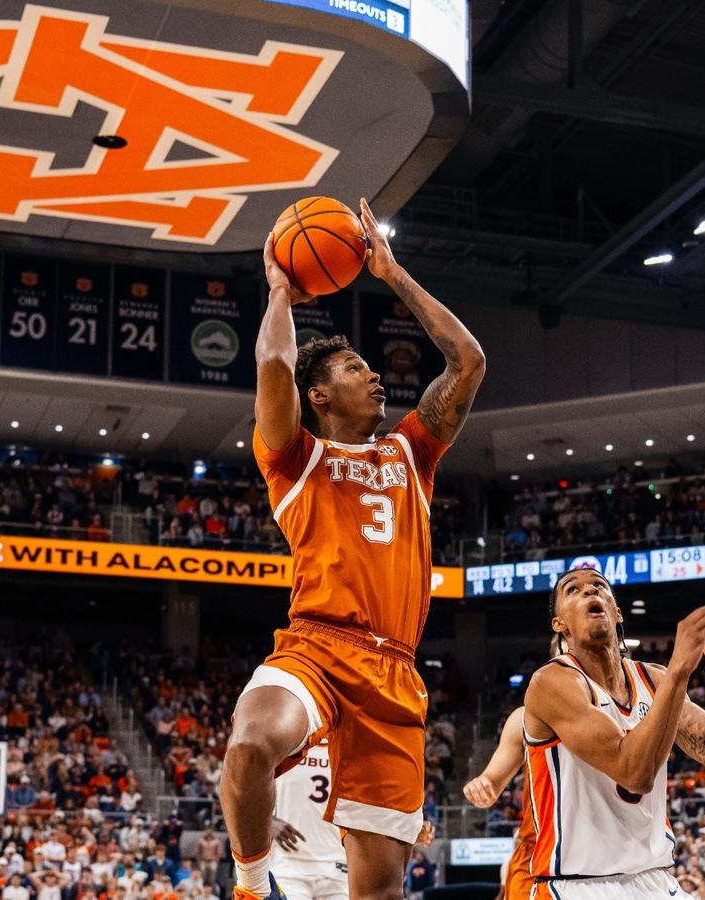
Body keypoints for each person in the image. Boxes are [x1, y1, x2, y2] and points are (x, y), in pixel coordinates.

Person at [222, 197, 486, 900]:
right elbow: (273, 368)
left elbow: (468, 362)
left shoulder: (413, 453)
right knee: (250, 745)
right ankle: (250, 886)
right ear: (320, 394)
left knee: (378, 893)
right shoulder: (292, 457)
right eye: (356, 369)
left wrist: (393, 274)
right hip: (316, 645)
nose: (375, 376)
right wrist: (280, 292)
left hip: (394, 676)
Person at [521, 567, 705, 898]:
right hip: (579, 886)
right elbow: (634, 773)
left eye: (599, 586)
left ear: (617, 612)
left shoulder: (653, 679)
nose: (589, 591)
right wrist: (680, 670)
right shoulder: (552, 683)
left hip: (655, 879)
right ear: (560, 624)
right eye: (573, 590)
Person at [462, 706, 531, 900]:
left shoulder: (613, 712)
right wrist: (485, 783)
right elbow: (492, 780)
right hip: (539, 858)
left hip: (606, 854)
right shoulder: (524, 719)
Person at [269, 738, 348, 900]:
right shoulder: (283, 744)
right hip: (288, 864)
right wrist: (265, 820)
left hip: (339, 864)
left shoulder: (351, 748)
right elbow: (241, 789)